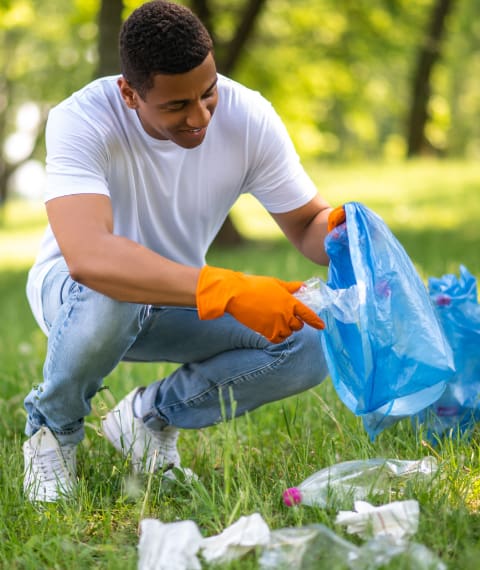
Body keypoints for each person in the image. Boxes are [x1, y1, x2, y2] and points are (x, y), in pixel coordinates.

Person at [23, 0, 343, 502]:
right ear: (129, 93)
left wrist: (341, 231)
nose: (200, 117)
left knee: (313, 336)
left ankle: (147, 418)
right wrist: (228, 288)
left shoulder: (248, 117)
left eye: (208, 93)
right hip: (79, 298)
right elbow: (89, 257)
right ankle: (53, 430)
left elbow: (306, 224)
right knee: (114, 290)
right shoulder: (81, 119)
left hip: (177, 300)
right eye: (176, 106)